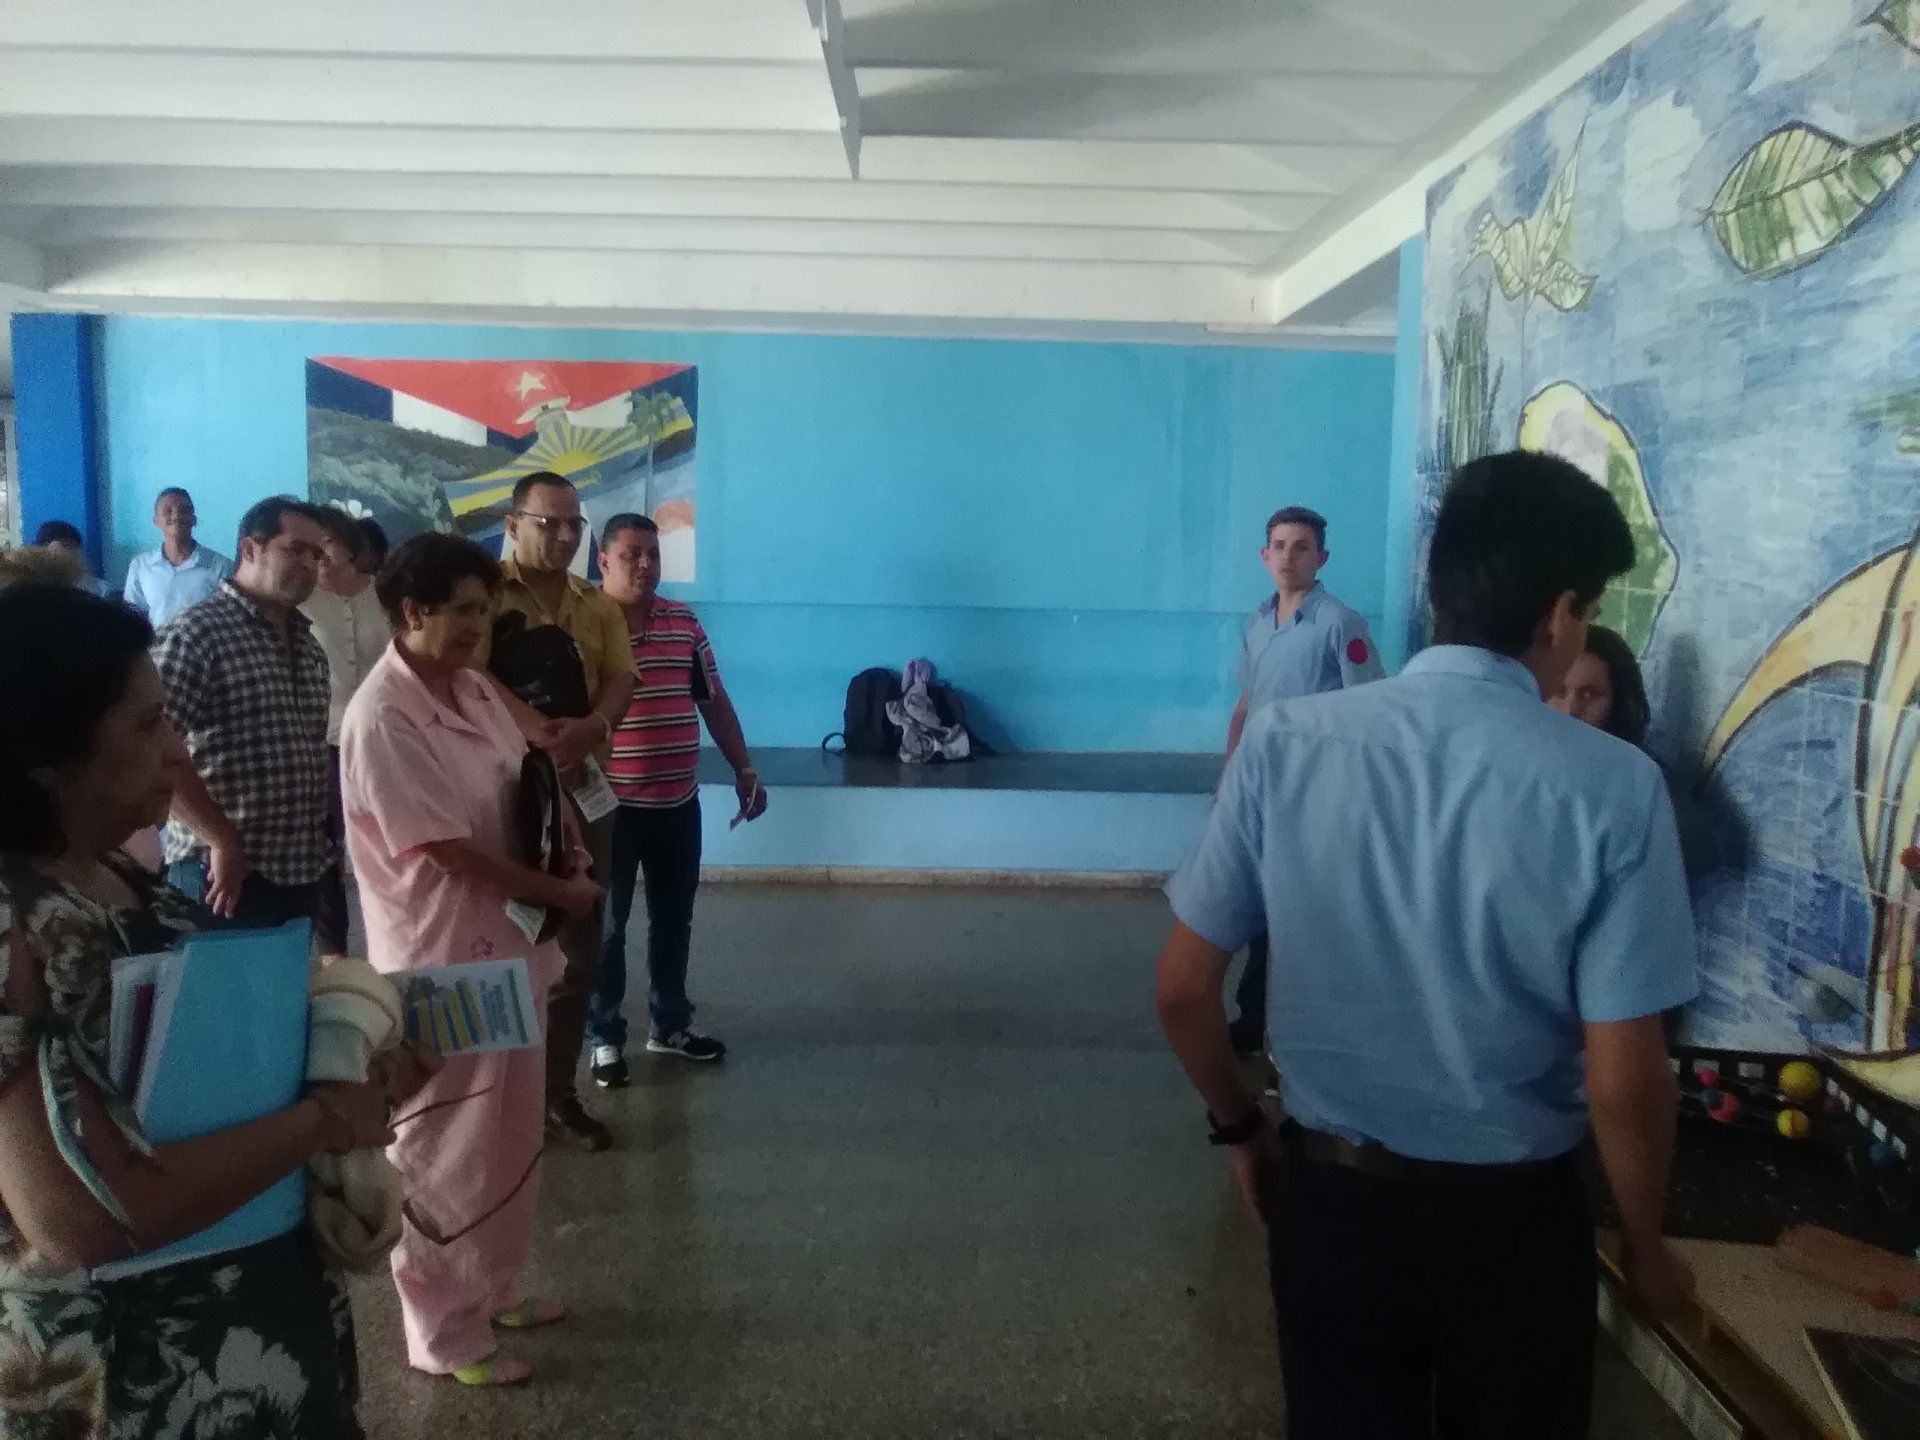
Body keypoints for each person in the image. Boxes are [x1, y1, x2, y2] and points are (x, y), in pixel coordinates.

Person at [1156, 452, 1699, 1440]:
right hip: (1514, 1228)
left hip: (1332, 1200)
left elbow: (1185, 989)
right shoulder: (1615, 788)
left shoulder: (1284, 746)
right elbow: (1624, 1078)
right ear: (1561, 614)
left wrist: (1242, 1130)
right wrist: (1647, 1245)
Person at [0, 583, 406, 1436]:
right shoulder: (15, 922)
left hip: (245, 1333)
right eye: (148, 726)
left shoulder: (114, 872)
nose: (178, 752)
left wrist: (349, 1057)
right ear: (46, 754)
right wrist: (323, 1118)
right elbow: (82, 1213)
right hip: (129, 1374)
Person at [341, 532, 600, 1386]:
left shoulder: (474, 688)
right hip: (443, 958)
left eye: (484, 611)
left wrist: (568, 850)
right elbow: (446, 849)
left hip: (513, 947)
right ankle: (442, 1331)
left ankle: (494, 1288)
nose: (477, 628)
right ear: (411, 611)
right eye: (463, 612)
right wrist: (557, 891)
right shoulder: (383, 716)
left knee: (511, 1131)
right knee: (444, 1144)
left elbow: (531, 777)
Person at [479, 472, 635, 1152]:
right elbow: (468, 675)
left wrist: (592, 729)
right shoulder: (481, 595)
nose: (566, 536)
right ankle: (487, 1100)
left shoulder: (596, 604)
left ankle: (554, 1097)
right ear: (513, 524)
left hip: (583, 790)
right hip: (498, 795)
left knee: (578, 950)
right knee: (493, 944)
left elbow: (622, 677)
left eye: (575, 524)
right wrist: (539, 734)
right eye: (550, 524)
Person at [586, 514, 766, 1086]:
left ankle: (668, 1026)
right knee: (607, 927)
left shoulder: (683, 622)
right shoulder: (584, 624)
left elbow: (714, 701)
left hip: (677, 806)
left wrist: (744, 768)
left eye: (653, 554)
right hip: (608, 809)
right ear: (603, 561)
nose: (645, 565)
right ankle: (603, 1037)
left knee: (673, 920)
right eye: (632, 554)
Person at [1225, 505, 1384, 1055]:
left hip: (1316, 792)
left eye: (1301, 547)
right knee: (1261, 906)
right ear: (1264, 555)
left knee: (1307, 909)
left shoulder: (1341, 624)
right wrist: (1230, 775)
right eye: (1279, 546)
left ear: (1322, 558)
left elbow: (1368, 709)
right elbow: (1246, 705)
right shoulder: (1257, 621)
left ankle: (1310, 1023)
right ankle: (1256, 1018)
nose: (1288, 557)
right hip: (1260, 787)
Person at [153, 496, 334, 926]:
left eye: (316, 555)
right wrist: (220, 838)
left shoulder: (308, 645)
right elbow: (151, 751)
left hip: (299, 870)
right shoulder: (195, 634)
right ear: (251, 549)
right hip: (219, 875)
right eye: (295, 550)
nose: (309, 564)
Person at [300, 507, 389, 954]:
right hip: (324, 739)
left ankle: (392, 939)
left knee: (386, 842)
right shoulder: (301, 600)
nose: (318, 555)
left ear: (349, 546)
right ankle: (334, 952)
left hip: (383, 738)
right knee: (324, 851)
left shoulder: (383, 592)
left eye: (326, 544)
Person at [122, 487, 233, 627]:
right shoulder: (140, 566)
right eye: (167, 511)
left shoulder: (221, 566)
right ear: (156, 521)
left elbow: (229, 616)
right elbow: (134, 616)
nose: (176, 517)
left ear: (194, 519)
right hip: (156, 641)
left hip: (204, 640)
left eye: (183, 511)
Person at [1548, 622, 1650, 748]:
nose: (1571, 710)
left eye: (1588, 695)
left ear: (1619, 702)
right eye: (1559, 691)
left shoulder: (1638, 761)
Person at [31, 519, 113, 597]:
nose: (73, 554)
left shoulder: (99, 588)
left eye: (75, 548)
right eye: (66, 546)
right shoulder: (31, 584)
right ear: (43, 548)